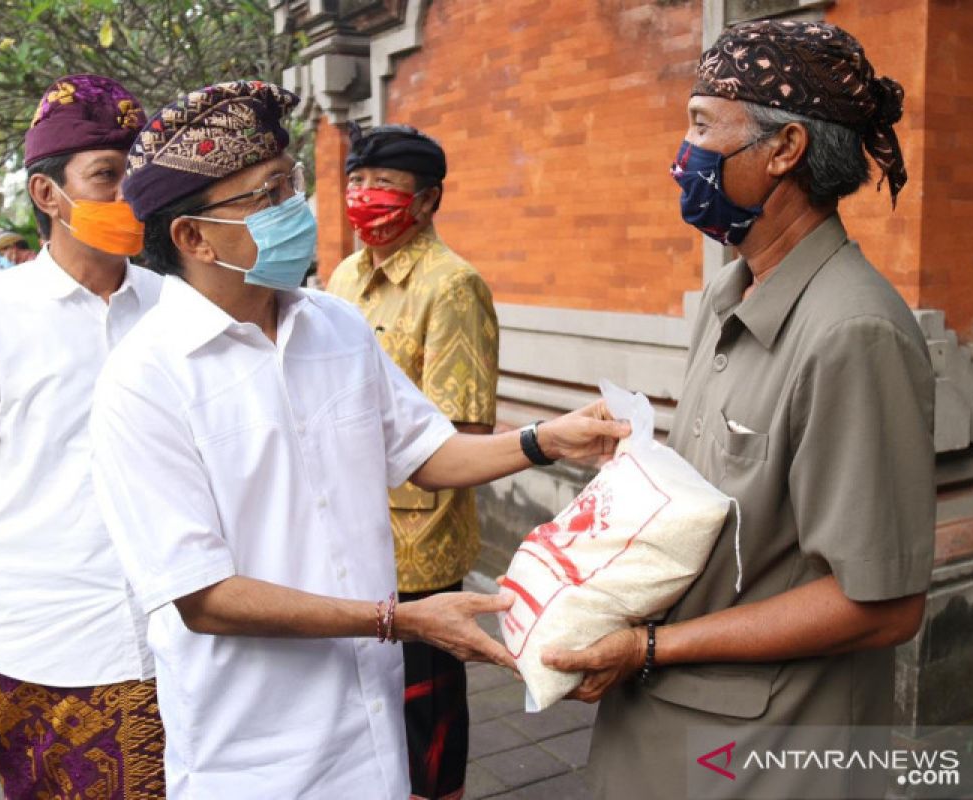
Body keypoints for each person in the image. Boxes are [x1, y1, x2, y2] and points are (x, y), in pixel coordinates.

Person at [99, 80, 628, 799]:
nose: (298, 209)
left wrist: (545, 440)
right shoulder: (144, 378)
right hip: (256, 748)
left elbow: (426, 452)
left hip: (372, 724)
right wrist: (397, 620)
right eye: (266, 195)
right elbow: (201, 594)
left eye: (291, 185)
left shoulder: (332, 324)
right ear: (193, 237)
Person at [541, 20, 936, 799]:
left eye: (699, 125)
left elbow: (881, 606)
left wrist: (651, 648)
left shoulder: (853, 332)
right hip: (662, 723)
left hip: (763, 752)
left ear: (784, 149)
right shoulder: (731, 290)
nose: (680, 156)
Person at [0, 74, 165, 799]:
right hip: (53, 641)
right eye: (108, 177)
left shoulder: (174, 308)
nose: (129, 194)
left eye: (136, 175)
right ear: (49, 196)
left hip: (185, 627)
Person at [328, 122, 498, 800]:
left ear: (426, 201)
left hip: (420, 543)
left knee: (424, 712)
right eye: (357, 183)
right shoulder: (343, 274)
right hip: (349, 527)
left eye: (384, 187)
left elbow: (464, 429)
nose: (365, 197)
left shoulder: (451, 285)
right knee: (363, 706)